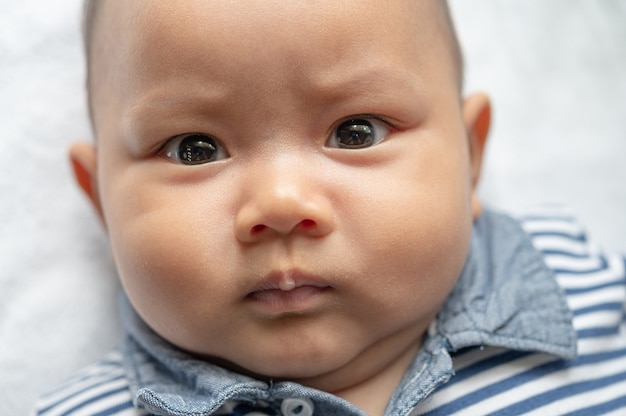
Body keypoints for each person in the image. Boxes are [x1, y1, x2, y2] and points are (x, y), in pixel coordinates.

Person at [35, 0, 626, 415]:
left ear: (470, 157)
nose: (281, 205)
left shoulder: (584, 280)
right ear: (103, 204)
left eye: (356, 132)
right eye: (195, 150)